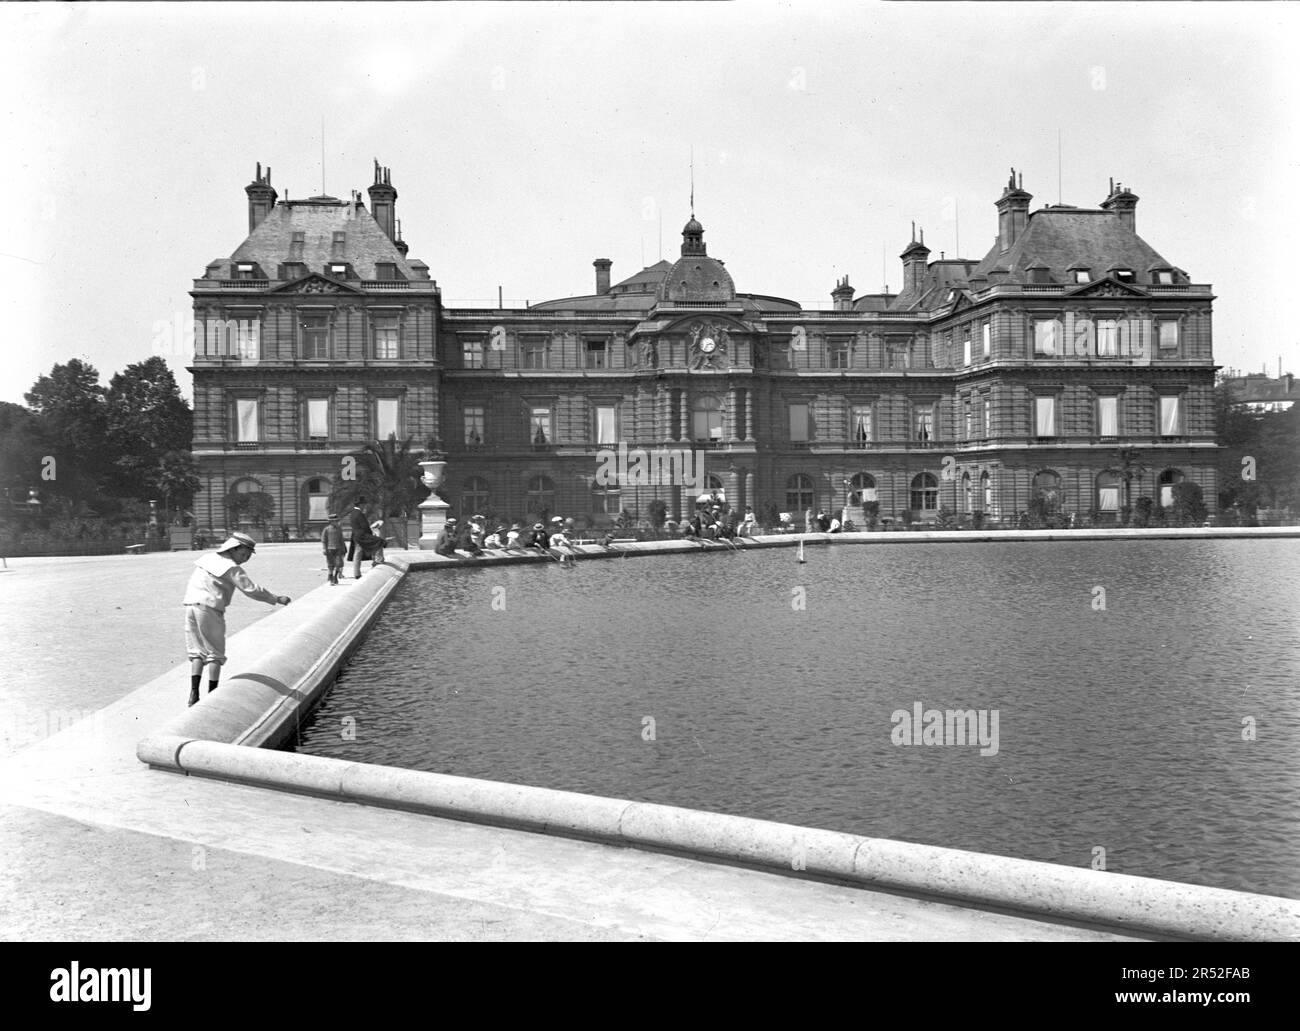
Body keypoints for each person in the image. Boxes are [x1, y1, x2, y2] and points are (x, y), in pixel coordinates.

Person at [182, 531, 290, 707]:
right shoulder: (231, 567)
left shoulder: (207, 559)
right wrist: (276, 598)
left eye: (248, 556)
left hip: (191, 606)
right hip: (209, 608)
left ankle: (193, 694)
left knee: (197, 651)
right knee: (215, 654)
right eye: (243, 554)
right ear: (233, 548)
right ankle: (212, 694)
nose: (245, 558)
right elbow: (251, 590)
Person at [347, 499, 370, 579]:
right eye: (364, 504)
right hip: (361, 535)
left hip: (355, 534)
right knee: (358, 553)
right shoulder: (359, 513)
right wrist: (370, 533)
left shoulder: (353, 512)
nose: (365, 506)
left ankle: (357, 572)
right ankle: (357, 573)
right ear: (360, 504)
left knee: (357, 553)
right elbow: (364, 526)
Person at [321, 512, 345, 585]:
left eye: (336, 521)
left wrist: (343, 549)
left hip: (338, 549)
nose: (336, 522)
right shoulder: (326, 529)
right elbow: (324, 540)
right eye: (334, 521)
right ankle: (331, 577)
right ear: (330, 522)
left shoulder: (339, 529)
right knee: (330, 564)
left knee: (339, 563)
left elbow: (341, 539)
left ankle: (335, 576)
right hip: (329, 549)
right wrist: (324, 549)